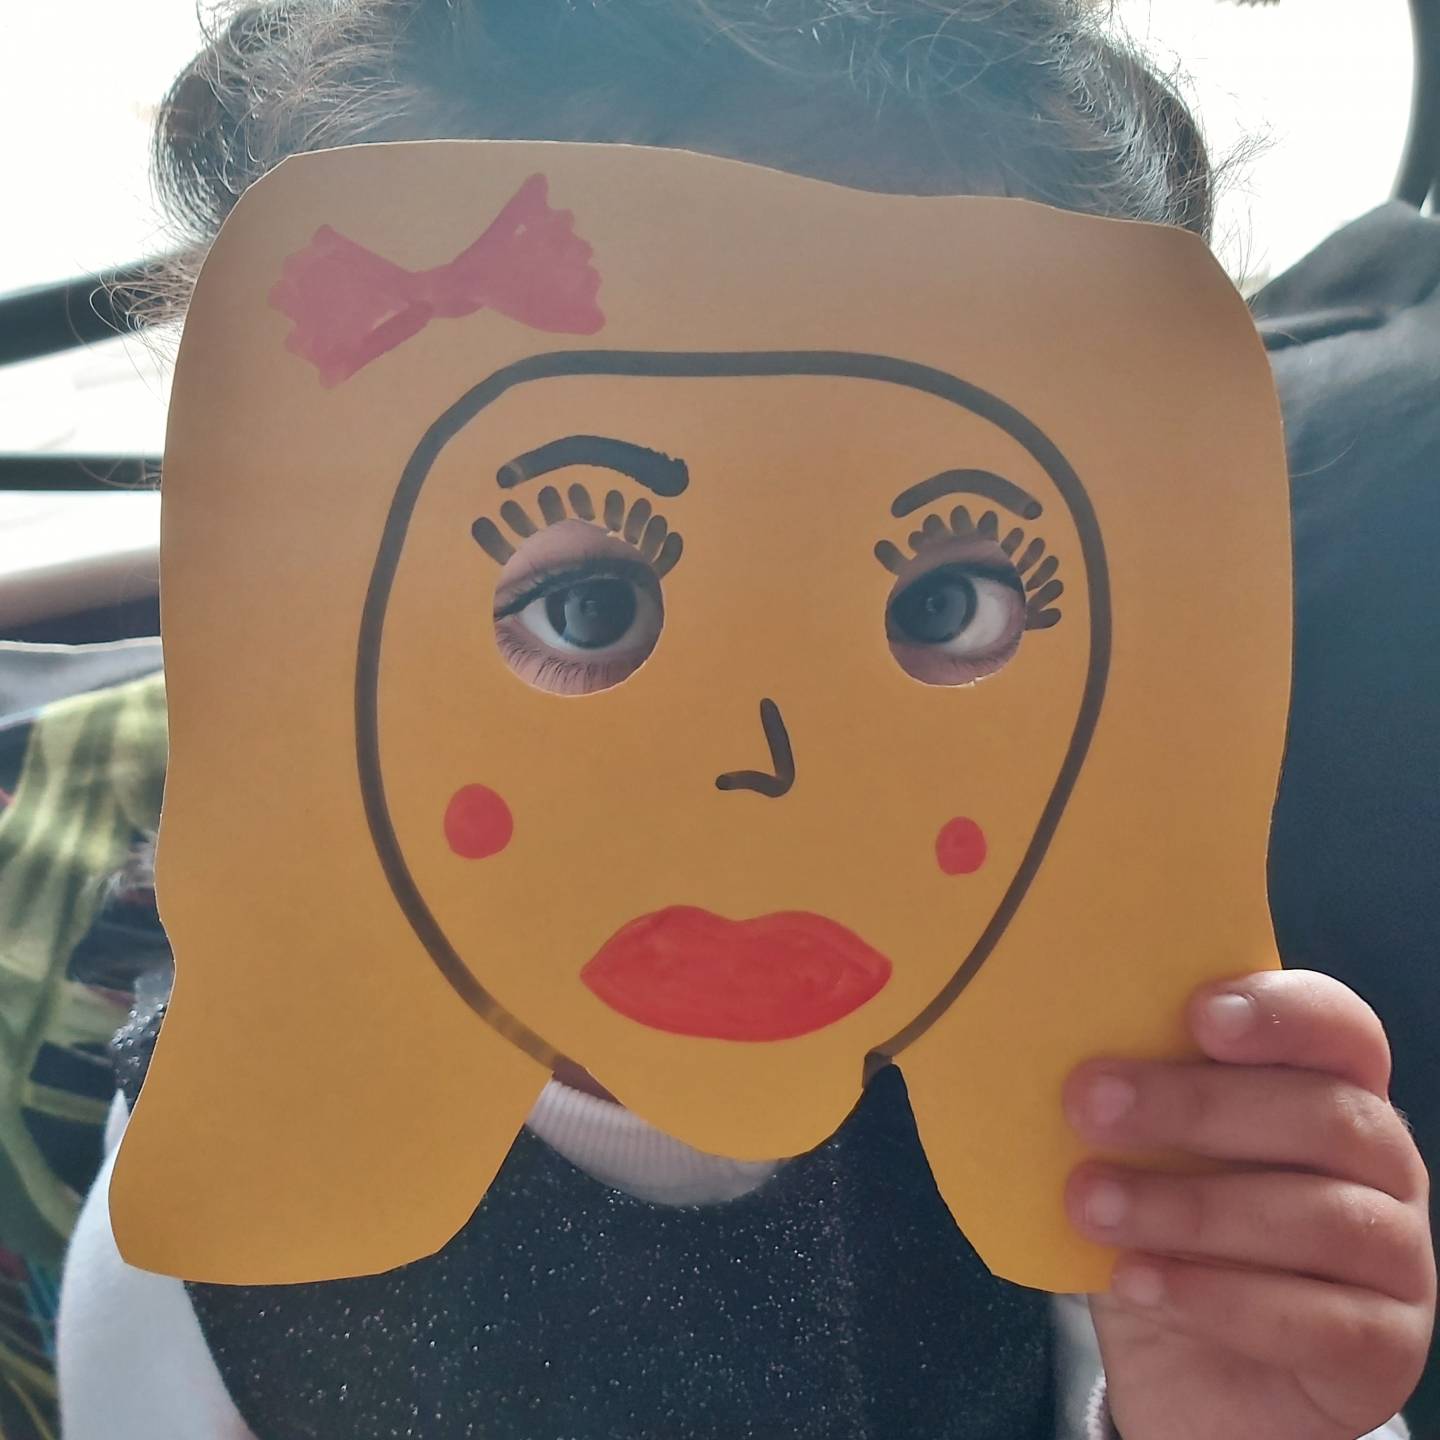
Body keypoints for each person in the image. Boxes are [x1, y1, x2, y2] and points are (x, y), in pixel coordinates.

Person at [54, 3, 1435, 1438]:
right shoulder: (225, 1212)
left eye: (944, 603)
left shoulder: (1110, 1106)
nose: (766, 766)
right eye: (589, 606)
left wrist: (1243, 1414)